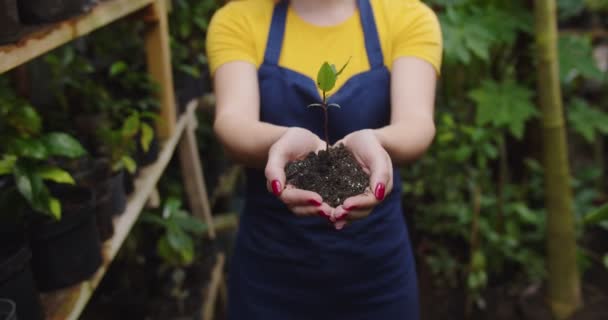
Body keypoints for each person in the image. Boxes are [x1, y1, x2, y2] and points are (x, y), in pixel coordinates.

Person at [207, 0, 442, 318]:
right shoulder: (237, 19)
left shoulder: (407, 16)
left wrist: (376, 141)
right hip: (271, 273)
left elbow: (416, 124)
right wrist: (281, 141)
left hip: (377, 274)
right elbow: (231, 122)